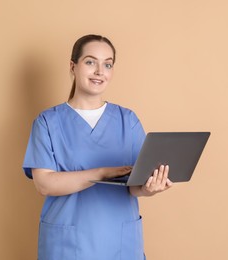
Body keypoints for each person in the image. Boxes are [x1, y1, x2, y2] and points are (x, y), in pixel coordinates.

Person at [23, 34, 172, 260]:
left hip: (120, 241)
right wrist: (102, 173)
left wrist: (149, 188)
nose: (100, 71)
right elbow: (44, 184)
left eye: (108, 64)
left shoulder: (127, 120)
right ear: (73, 67)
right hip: (68, 243)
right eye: (91, 62)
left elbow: (134, 185)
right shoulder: (48, 122)